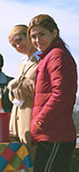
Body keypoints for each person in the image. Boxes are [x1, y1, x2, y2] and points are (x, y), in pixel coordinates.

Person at [27, 14, 77, 172]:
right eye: (33, 36)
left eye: (42, 34)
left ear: (54, 33)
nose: (37, 40)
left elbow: (61, 95)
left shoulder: (57, 55)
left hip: (56, 135)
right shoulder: (49, 56)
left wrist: (39, 122)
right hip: (51, 134)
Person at [7, 24, 39, 163]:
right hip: (18, 122)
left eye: (20, 40)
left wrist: (19, 83)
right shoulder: (22, 63)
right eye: (14, 45)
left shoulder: (41, 58)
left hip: (33, 118)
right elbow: (16, 93)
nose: (18, 46)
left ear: (28, 35)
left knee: (35, 162)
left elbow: (42, 89)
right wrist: (11, 90)